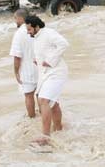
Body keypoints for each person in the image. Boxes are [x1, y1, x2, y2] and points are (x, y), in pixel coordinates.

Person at [25, 15, 69, 146]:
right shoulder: (37, 37)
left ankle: (45, 136)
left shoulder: (49, 33)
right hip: (46, 74)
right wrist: (37, 60)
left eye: (29, 29)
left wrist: (50, 60)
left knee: (43, 100)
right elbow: (44, 51)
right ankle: (58, 128)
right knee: (51, 102)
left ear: (37, 26)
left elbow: (64, 44)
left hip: (57, 72)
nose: (28, 32)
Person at [9, 9, 37, 118]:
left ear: (20, 18)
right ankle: (44, 118)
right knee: (40, 95)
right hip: (40, 68)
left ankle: (32, 119)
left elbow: (17, 56)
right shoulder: (36, 28)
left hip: (27, 71)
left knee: (29, 96)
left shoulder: (19, 33)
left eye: (15, 18)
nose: (15, 21)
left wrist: (16, 72)